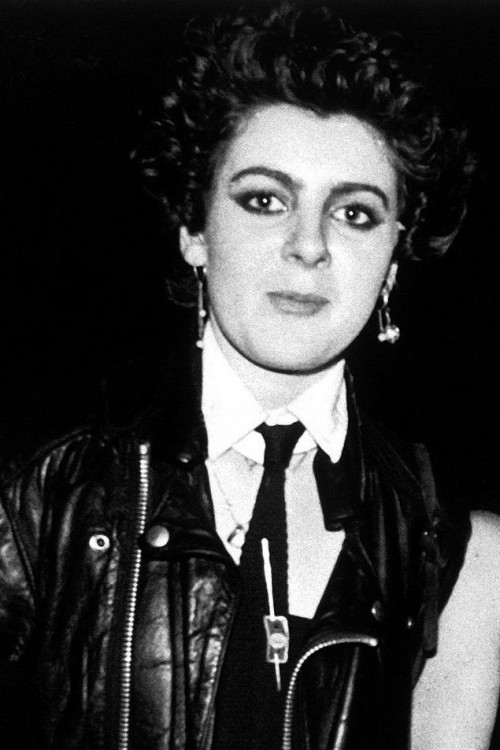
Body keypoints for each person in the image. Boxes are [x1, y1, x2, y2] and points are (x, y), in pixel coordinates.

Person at [0, 1, 498, 749]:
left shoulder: (453, 548)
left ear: (395, 260)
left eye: (355, 213)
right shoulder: (37, 487)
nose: (309, 245)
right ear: (194, 230)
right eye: (265, 200)